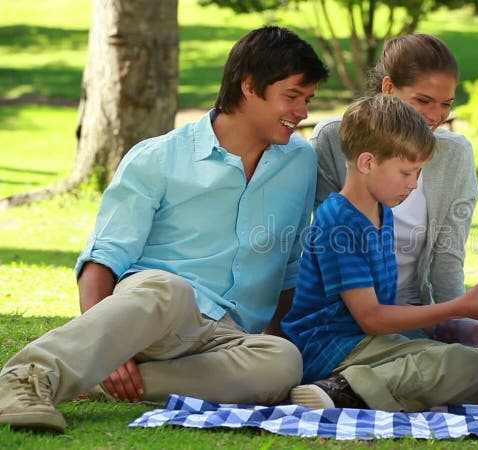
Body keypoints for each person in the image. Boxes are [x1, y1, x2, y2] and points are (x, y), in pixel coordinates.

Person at [0, 26, 328, 433]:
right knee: (168, 288)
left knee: (282, 362)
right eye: (292, 97)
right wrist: (116, 352)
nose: (302, 113)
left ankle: (110, 383)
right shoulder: (158, 157)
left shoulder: (299, 161)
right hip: (153, 318)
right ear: (249, 87)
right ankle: (26, 377)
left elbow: (290, 266)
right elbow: (102, 260)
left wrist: (277, 339)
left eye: (307, 100)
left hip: (224, 339)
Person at [281, 94, 478, 412]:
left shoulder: (384, 212)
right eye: (407, 173)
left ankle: (380, 393)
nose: (413, 184)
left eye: (419, 173)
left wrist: (438, 329)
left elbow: (382, 314)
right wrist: (457, 307)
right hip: (331, 348)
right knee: (464, 365)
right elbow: (372, 318)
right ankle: (343, 389)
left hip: (369, 345)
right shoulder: (339, 220)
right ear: (368, 162)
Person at [311, 34, 478, 346]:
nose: (435, 116)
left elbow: (448, 258)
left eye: (446, 104)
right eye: (423, 101)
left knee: (476, 373)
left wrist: (457, 326)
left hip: (415, 314)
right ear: (389, 88)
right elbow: (330, 247)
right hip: (345, 315)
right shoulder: (334, 139)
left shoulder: (455, 154)